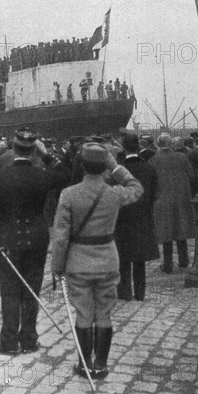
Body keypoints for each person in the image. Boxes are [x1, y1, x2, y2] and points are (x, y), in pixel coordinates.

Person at [51, 143, 143, 379]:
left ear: (82, 166)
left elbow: (61, 237)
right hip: (107, 260)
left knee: (83, 313)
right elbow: (136, 187)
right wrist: (115, 167)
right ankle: (100, 364)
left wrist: (57, 267)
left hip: (78, 261)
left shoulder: (68, 194)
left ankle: (84, 364)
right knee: (104, 313)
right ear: (104, 166)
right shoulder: (114, 193)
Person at [0, 127, 70, 355]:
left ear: (13, 148)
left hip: (8, 240)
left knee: (10, 292)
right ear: (33, 151)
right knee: (32, 289)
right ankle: (29, 339)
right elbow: (67, 175)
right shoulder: (42, 175)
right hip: (38, 240)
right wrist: (46, 155)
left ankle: (9, 342)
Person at [115, 134, 159, 301]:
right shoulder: (149, 168)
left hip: (123, 218)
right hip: (143, 217)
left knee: (123, 257)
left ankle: (124, 293)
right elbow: (155, 193)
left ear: (124, 148)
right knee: (139, 259)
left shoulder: (119, 171)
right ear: (139, 147)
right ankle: (140, 293)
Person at [149, 133, 195, 273]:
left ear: (159, 144)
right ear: (169, 144)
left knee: (166, 233)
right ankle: (184, 261)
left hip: (162, 199)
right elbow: (192, 176)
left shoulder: (154, 160)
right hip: (181, 198)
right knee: (181, 230)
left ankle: (168, 265)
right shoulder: (181, 157)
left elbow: (151, 182)